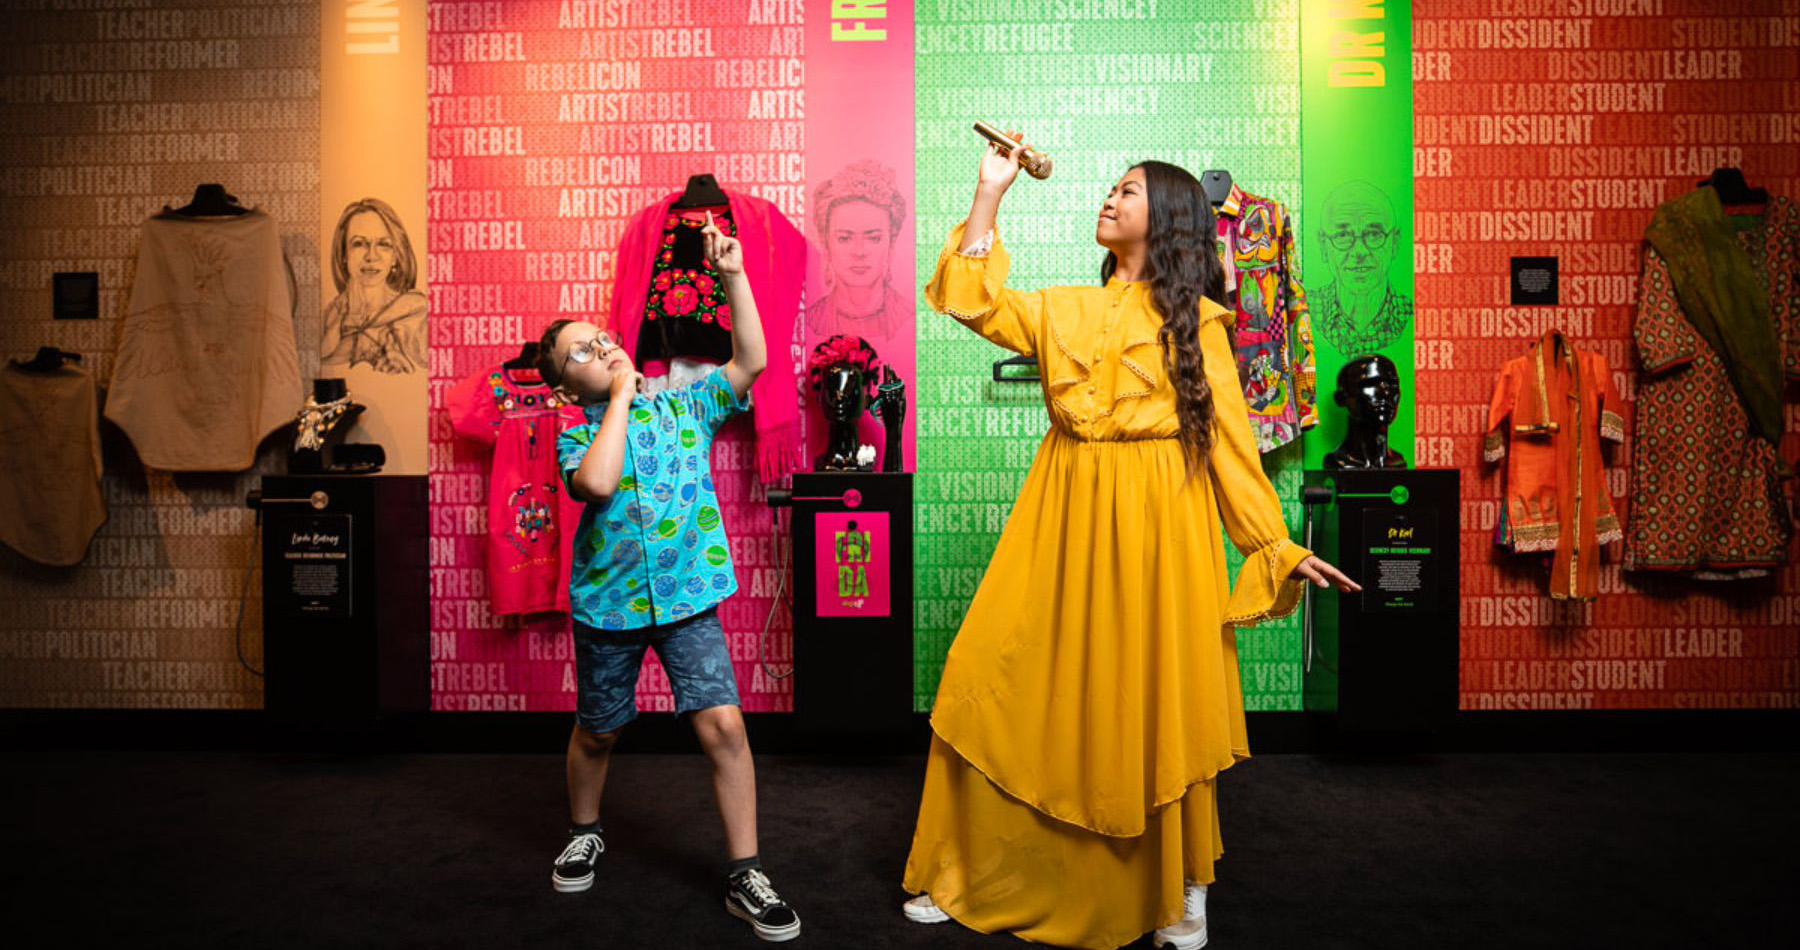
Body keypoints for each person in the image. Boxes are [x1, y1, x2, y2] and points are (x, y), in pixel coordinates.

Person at [900, 134, 1360, 950]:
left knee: (1157, 696)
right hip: (1061, 511)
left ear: (1171, 220)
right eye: (1110, 188)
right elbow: (972, 301)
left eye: (1130, 190)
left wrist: (1274, 545)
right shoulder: (1063, 307)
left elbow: (1231, 450)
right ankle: (963, 867)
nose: (1110, 198)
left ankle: (1183, 888)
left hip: (1161, 527)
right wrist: (989, 190)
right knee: (991, 674)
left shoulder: (1202, 328)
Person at [538, 212, 801, 943]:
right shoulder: (575, 431)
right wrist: (620, 395)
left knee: (722, 724)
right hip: (608, 609)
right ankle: (584, 829)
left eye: (603, 337)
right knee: (598, 732)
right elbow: (595, 484)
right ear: (566, 384)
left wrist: (734, 275)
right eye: (580, 352)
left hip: (689, 599)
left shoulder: (687, 401)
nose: (601, 348)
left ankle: (745, 871)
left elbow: (750, 363)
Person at [806, 159, 911, 347]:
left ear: (891, 243)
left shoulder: (910, 318)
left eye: (873, 238)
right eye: (845, 238)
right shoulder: (809, 322)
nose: (859, 252)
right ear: (826, 243)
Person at [319, 197, 428, 374]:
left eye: (383, 244)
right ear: (344, 254)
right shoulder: (329, 318)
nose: (371, 256)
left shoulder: (416, 312)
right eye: (359, 244)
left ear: (396, 256)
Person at [1310, 179, 1412, 356]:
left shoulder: (1411, 317)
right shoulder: (1305, 312)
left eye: (1374, 234)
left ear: (1394, 243)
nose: (1359, 251)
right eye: (1342, 234)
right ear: (1323, 245)